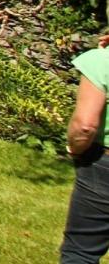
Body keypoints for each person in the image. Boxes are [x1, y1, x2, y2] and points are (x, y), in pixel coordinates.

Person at [63, 40, 109, 262]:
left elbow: (84, 126)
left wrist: (76, 148)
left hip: (104, 168)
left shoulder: (102, 61)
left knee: (81, 252)